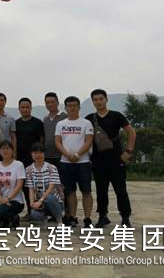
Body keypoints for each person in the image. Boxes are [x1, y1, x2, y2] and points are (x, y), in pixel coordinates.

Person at [86, 89, 136, 227]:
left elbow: (131, 132)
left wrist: (128, 152)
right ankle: (103, 216)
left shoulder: (116, 116)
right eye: (95, 100)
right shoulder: (89, 118)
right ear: (92, 102)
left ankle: (125, 218)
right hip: (98, 160)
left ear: (106, 99)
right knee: (101, 190)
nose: (98, 102)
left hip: (116, 159)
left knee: (120, 189)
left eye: (101, 99)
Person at [55, 96, 94, 227]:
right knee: (70, 192)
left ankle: (87, 218)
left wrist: (77, 154)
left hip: (83, 162)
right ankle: (72, 216)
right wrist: (67, 155)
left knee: (86, 191)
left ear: (79, 107)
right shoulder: (61, 124)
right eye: (69, 106)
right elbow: (57, 142)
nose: (72, 108)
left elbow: (89, 141)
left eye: (75, 105)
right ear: (65, 108)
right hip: (65, 163)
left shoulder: (86, 123)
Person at [0, 140, 25, 228]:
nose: (5, 151)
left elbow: (19, 185)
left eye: (8, 148)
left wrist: (8, 199)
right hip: (0, 200)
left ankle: (13, 217)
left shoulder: (18, 165)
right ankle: (7, 219)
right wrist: (0, 199)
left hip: (15, 201)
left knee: (1, 210)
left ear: (12, 151)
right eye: (3, 149)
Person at [15, 97, 44, 217]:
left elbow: (41, 140)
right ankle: (29, 210)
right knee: (25, 186)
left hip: (34, 159)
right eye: (22, 107)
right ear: (19, 108)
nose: (25, 109)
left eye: (27, 107)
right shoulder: (16, 123)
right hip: (20, 159)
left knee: (37, 185)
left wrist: (39, 157)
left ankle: (39, 210)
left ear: (31, 108)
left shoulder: (37, 123)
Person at [26, 142, 64, 228]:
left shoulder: (51, 168)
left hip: (55, 201)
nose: (38, 155)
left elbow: (51, 187)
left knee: (49, 198)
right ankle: (46, 219)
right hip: (42, 203)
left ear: (44, 154)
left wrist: (40, 200)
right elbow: (31, 189)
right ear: (31, 154)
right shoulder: (28, 170)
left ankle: (59, 221)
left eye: (40, 153)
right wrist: (32, 203)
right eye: (35, 153)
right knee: (34, 214)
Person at [42, 93, 67, 168]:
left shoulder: (65, 117)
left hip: (62, 155)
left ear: (58, 103)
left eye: (52, 102)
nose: (50, 104)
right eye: (47, 102)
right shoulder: (45, 119)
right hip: (47, 155)